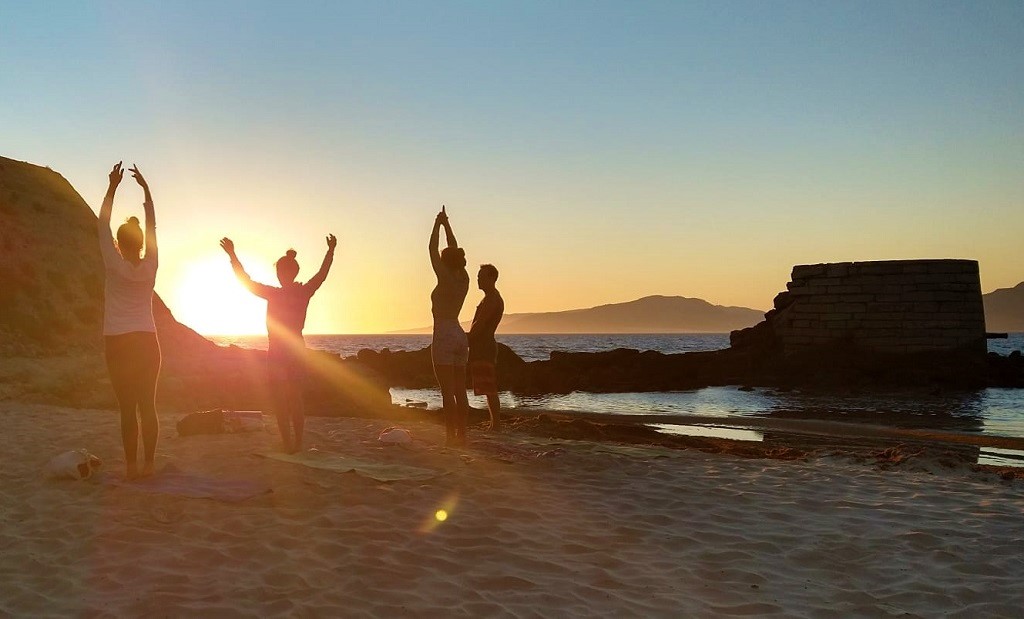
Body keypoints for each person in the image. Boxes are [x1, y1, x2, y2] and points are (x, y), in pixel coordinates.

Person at [219, 234, 337, 453]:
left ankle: (288, 444)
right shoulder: (303, 291)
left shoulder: (274, 294)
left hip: (278, 352)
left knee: (283, 400)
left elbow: (245, 281)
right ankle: (296, 443)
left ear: (281, 274)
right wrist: (330, 251)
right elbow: (321, 275)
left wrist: (233, 255)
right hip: (294, 349)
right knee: (294, 398)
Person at [98, 162, 161, 480]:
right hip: (147, 341)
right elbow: (152, 228)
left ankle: (132, 468)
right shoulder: (151, 265)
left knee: (127, 408)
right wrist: (146, 192)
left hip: (118, 342)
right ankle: (149, 465)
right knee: (147, 406)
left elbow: (102, 223)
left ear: (119, 245)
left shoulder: (113, 264)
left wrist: (113, 186)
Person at [428, 206, 470, 446]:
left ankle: (449, 437)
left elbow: (433, 249)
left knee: (447, 392)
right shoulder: (463, 277)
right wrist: (447, 225)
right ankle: (462, 434)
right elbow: (452, 249)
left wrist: (437, 223)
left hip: (443, 334)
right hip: (459, 333)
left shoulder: (444, 278)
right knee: (460, 391)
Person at [468, 264, 504, 431]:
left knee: (489, 387)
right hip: (480, 346)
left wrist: (466, 338)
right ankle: (494, 423)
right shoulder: (488, 298)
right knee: (486, 386)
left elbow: (480, 324)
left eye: (481, 276)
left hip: (484, 347)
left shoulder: (492, 299)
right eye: (478, 276)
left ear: (491, 278)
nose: (478, 279)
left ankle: (496, 424)